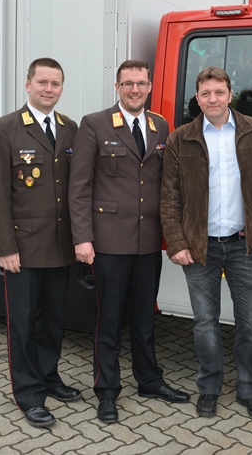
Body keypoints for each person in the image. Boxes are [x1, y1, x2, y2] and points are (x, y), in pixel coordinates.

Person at [69, 59, 190, 424]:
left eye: (141, 83)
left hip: (148, 242)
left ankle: (149, 380)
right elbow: (79, 186)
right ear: (117, 87)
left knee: (144, 319)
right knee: (109, 321)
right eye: (128, 83)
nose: (135, 89)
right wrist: (83, 238)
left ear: (149, 86)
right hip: (109, 242)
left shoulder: (160, 125)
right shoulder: (95, 123)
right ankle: (107, 391)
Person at [160, 66, 252, 420]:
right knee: (204, 323)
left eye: (218, 92)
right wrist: (177, 243)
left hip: (244, 246)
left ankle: (249, 388)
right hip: (200, 247)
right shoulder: (180, 138)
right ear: (197, 98)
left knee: (251, 324)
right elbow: (169, 195)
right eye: (205, 93)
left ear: (230, 94)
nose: (212, 99)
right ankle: (209, 387)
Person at [0, 57, 81, 428]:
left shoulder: (69, 128)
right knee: (22, 324)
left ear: (61, 88)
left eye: (55, 83)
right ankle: (29, 395)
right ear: (28, 85)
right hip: (22, 249)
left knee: (53, 321)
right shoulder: (5, 128)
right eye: (42, 82)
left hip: (60, 246)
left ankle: (49, 377)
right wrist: (5, 246)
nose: (49, 89)